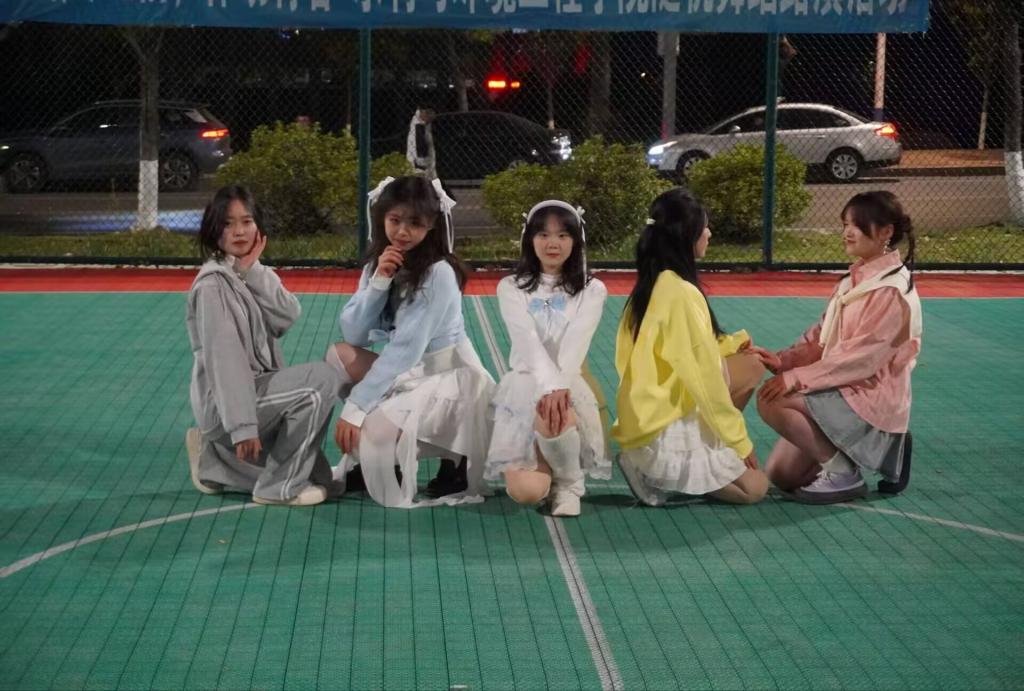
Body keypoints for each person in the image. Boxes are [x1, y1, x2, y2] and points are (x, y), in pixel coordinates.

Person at [326, 175, 495, 508]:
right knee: (338, 356)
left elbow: (405, 351)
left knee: (368, 438)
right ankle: (390, 459)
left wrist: (356, 407)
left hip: (447, 379)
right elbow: (354, 334)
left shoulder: (439, 273)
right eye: (395, 220)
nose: (402, 231)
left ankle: (457, 454)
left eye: (414, 223)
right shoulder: (382, 262)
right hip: (412, 373)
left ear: (431, 225)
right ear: (382, 218)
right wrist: (379, 282)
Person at [753, 191, 921, 504]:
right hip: (843, 388)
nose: (847, 232)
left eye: (857, 225)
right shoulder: (853, 280)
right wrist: (782, 361)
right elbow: (822, 336)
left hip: (869, 396)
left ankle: (845, 472)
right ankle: (865, 454)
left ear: (885, 232)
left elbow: (861, 361)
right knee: (782, 475)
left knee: (773, 400)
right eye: (845, 224)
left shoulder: (891, 291)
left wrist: (795, 377)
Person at [184, 185, 341, 506]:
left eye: (247, 221)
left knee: (322, 479)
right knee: (321, 380)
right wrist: (242, 427)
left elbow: (287, 315)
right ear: (213, 230)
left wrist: (252, 271)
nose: (239, 231)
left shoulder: (240, 273)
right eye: (228, 223)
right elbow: (226, 360)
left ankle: (214, 463)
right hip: (227, 408)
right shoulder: (213, 286)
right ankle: (277, 489)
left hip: (250, 395)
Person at [613, 188, 769, 507]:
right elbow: (704, 376)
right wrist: (739, 441)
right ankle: (657, 474)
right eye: (704, 227)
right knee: (755, 488)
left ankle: (683, 459)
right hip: (662, 427)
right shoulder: (681, 293)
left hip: (645, 415)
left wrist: (732, 344)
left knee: (751, 363)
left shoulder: (651, 285)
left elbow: (681, 347)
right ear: (687, 236)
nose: (709, 234)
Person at [485, 200, 610, 517]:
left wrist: (557, 387)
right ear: (530, 239)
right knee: (527, 493)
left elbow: (576, 343)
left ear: (575, 241)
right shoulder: (510, 287)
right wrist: (549, 385)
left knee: (555, 411)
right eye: (543, 234)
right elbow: (525, 340)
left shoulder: (593, 289)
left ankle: (569, 484)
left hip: (567, 384)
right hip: (523, 384)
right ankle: (550, 464)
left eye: (562, 235)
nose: (553, 243)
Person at [406, 108, 436, 179]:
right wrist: (422, 164)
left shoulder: (423, 124)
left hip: (419, 161)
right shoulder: (419, 126)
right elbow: (420, 146)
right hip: (419, 163)